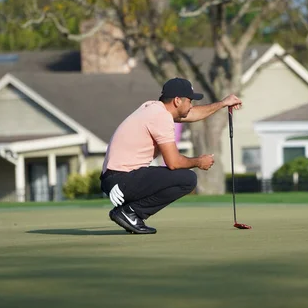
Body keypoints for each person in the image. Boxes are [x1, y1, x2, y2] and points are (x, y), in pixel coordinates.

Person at [100, 77, 242, 234]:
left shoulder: (153, 108)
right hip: (122, 180)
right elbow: (173, 162)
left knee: (181, 177)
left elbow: (192, 114)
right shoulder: (160, 117)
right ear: (177, 101)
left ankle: (129, 212)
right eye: (189, 101)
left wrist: (223, 103)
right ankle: (131, 212)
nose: (191, 105)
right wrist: (199, 162)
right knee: (187, 179)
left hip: (117, 178)